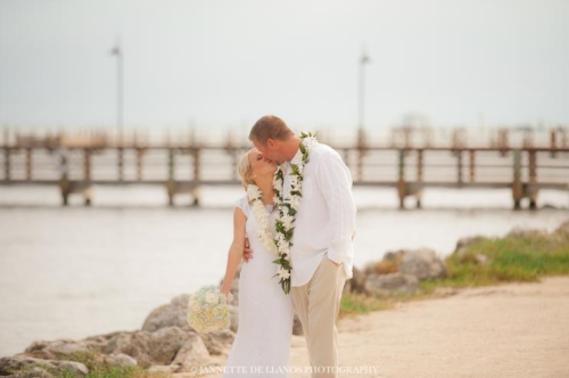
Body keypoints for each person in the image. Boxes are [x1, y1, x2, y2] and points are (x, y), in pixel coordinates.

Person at [245, 115, 357, 378]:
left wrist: (336, 257)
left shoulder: (322, 158)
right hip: (296, 265)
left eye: (261, 149)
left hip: (324, 260)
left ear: (271, 143)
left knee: (321, 331)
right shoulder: (283, 169)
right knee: (314, 333)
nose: (261, 155)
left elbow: (343, 205)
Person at [219, 147, 294, 377]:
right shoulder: (243, 206)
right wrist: (225, 286)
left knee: (279, 332)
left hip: (282, 282)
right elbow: (236, 245)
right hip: (253, 280)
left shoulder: (291, 198)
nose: (267, 157)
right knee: (251, 332)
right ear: (250, 173)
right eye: (259, 158)